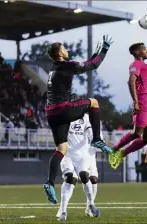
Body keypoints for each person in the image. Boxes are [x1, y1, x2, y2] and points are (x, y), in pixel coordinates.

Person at [43, 35, 114, 204]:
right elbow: (93, 65)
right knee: (94, 102)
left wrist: (96, 51)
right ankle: (97, 139)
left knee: (61, 148)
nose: (66, 50)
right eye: (64, 48)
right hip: (63, 109)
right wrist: (104, 49)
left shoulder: (54, 68)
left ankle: (50, 182)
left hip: (51, 113)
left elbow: (87, 63)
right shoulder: (68, 65)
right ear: (60, 53)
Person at [109, 42, 147, 167]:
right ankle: (114, 150)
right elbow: (131, 81)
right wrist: (136, 102)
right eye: (144, 49)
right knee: (137, 133)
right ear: (137, 52)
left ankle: (122, 154)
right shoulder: (136, 64)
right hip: (144, 101)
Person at [56, 114, 101, 221]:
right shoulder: (64, 116)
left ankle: (90, 205)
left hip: (84, 155)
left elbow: (92, 134)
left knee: (87, 177)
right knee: (70, 179)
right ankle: (63, 210)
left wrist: (95, 140)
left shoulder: (87, 118)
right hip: (68, 154)